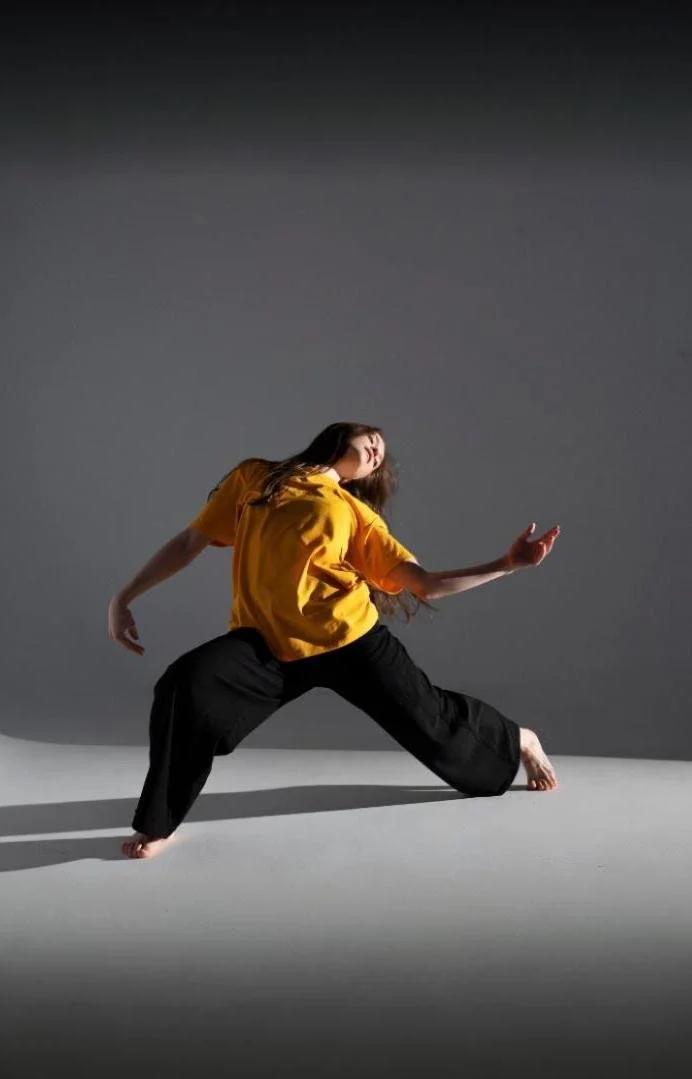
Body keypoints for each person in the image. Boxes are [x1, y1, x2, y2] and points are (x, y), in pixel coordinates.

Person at [108, 421, 560, 859]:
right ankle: (157, 824)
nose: (377, 451)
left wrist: (507, 564)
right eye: (372, 440)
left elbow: (425, 584)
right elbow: (191, 541)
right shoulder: (255, 478)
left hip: (349, 642)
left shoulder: (352, 512)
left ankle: (518, 740)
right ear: (341, 436)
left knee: (433, 725)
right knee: (184, 685)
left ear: (365, 475)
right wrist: (124, 598)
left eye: (380, 455)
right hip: (266, 645)